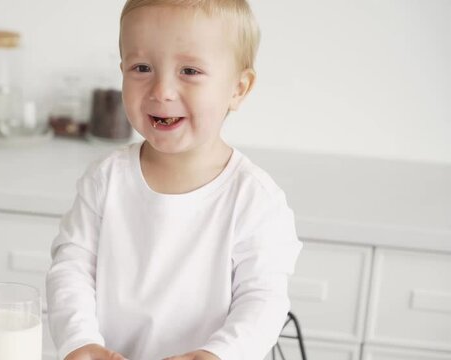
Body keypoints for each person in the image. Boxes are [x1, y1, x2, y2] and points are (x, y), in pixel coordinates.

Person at [45, 0, 303, 359]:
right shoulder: (105, 179)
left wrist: (219, 355)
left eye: (190, 71)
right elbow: (71, 269)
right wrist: (79, 341)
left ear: (238, 88)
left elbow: (263, 300)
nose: (161, 90)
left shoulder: (255, 199)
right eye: (141, 67)